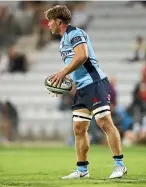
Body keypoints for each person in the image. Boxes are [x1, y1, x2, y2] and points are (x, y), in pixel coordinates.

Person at [44, 5, 127, 179]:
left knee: (104, 122)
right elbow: (75, 70)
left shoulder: (75, 33)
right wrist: (60, 85)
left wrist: (62, 72)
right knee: (79, 128)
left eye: (50, 21)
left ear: (59, 21)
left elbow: (82, 56)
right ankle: (82, 170)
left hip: (95, 82)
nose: (48, 24)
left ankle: (120, 165)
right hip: (81, 88)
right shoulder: (62, 41)